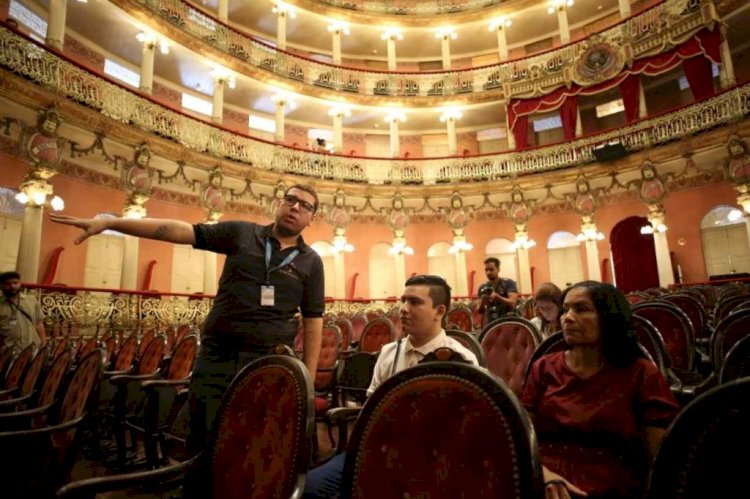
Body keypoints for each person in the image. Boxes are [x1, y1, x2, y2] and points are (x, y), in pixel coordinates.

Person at [50, 184, 324, 454]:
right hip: (218, 356)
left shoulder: (311, 262)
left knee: (250, 440)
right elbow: (181, 231)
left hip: (268, 360)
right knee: (202, 437)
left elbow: (313, 322)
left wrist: (307, 382)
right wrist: (112, 223)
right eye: (291, 199)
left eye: (306, 206)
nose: (296, 207)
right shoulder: (242, 233)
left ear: (311, 218)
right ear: (279, 203)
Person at [303, 274, 478, 498]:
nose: (404, 308)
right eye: (403, 300)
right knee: (312, 487)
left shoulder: (462, 359)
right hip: (381, 449)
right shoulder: (389, 352)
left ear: (439, 311)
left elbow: (465, 428)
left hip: (434, 459)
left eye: (414, 302)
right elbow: (371, 406)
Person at [521, 281, 679, 499]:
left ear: (608, 316)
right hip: (545, 482)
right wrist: (544, 475)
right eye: (565, 309)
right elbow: (523, 437)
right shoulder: (545, 367)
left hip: (611, 488)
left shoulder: (641, 373)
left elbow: (660, 460)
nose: (567, 317)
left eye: (581, 309)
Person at [0, 271, 46, 355]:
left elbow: (39, 323)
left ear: (20, 284)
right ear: (2, 286)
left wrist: (43, 343)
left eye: (15, 283)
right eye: (7, 284)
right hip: (8, 352)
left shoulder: (31, 301)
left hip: (32, 349)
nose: (12, 286)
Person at [477, 257, 518, 326]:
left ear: (498, 270)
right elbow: (479, 311)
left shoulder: (508, 283)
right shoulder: (483, 287)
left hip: (508, 320)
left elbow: (512, 302)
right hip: (490, 322)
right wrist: (484, 301)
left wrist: (497, 296)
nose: (488, 272)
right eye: (486, 270)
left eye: (491, 269)